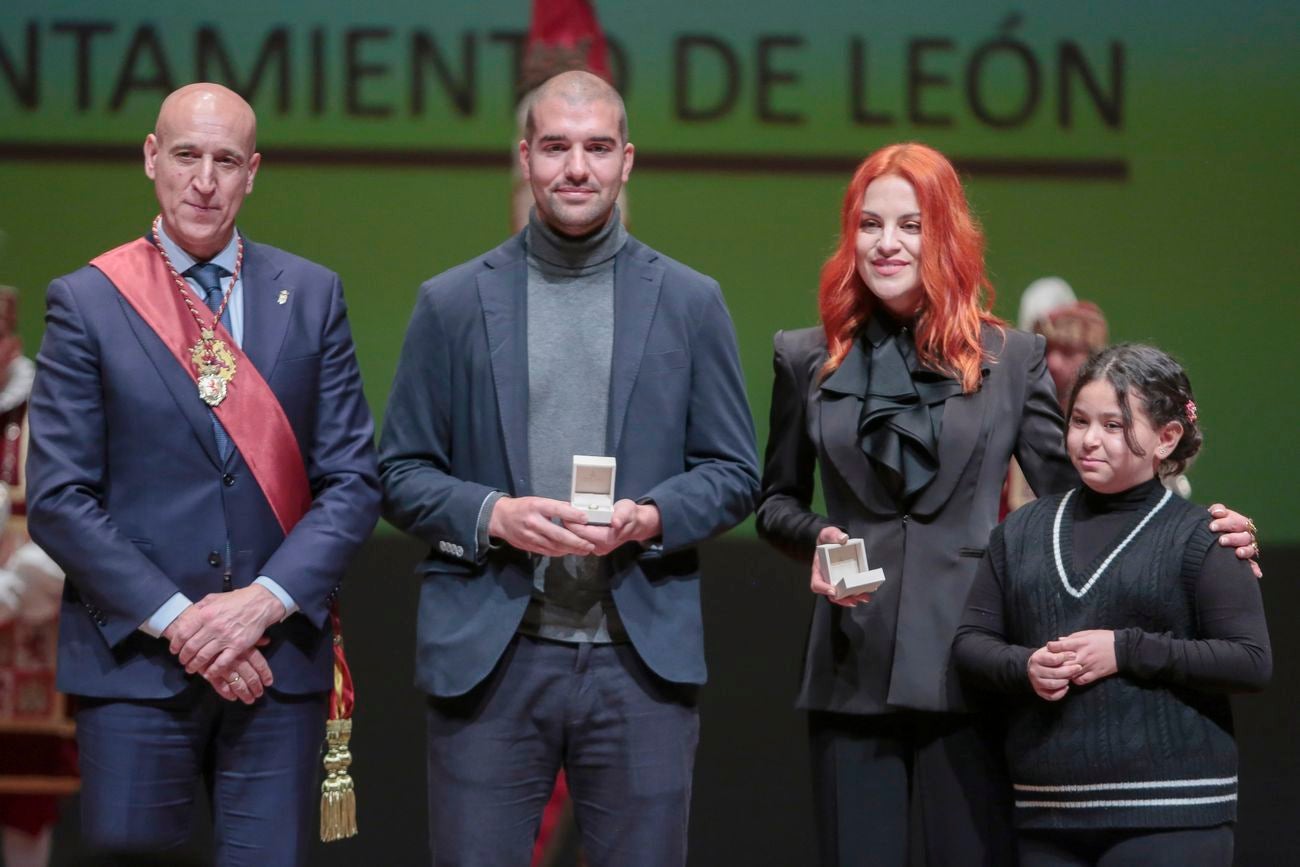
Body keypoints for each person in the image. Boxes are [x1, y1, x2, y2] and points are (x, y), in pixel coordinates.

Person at [753, 142, 1260, 866]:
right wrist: (821, 537)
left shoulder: (1010, 357)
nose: (887, 243)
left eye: (911, 224)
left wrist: (1195, 530)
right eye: (869, 224)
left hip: (975, 668)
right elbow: (774, 499)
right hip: (851, 669)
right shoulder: (806, 355)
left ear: (946, 235)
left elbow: (1079, 491)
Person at [378, 70, 758, 866]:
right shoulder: (449, 304)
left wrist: (651, 515)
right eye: (555, 146)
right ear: (525, 157)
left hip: (637, 663)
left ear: (628, 160)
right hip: (493, 657)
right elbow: (402, 469)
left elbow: (732, 469)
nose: (575, 167)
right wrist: (493, 514)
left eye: (595, 147)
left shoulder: (691, 302)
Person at [25, 83, 380, 865]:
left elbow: (353, 480)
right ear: (152, 158)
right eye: (186, 155)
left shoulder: (311, 295)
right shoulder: (88, 301)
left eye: (226, 161)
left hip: (275, 659)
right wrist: (184, 620)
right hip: (138, 662)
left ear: (252, 172)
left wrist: (259, 604)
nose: (204, 180)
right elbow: (58, 497)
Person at [953, 343, 1270, 866]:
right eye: (1079, 421)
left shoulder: (1203, 535)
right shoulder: (1024, 532)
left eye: (1115, 426)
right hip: (1048, 812)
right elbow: (972, 643)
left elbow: (1250, 661)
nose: (1089, 440)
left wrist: (1125, 650)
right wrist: (1025, 666)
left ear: (1166, 437)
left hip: (1172, 816)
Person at [0, 287, 76, 867]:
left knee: (23, 812)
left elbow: (73, 514)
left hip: (25, 637)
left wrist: (17, 587)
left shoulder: (46, 408)